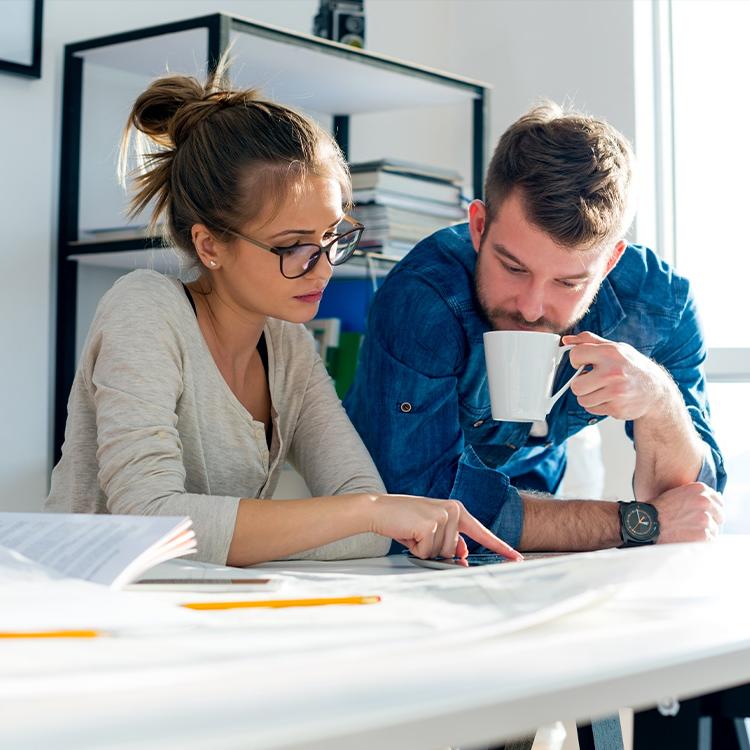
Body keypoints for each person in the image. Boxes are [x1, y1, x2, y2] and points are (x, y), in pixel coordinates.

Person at [45, 67, 520, 566]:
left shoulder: (288, 344)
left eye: (333, 237)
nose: (323, 269)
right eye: (293, 247)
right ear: (209, 245)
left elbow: (366, 528)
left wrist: (367, 513)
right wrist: (367, 512)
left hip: (198, 614)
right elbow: (149, 524)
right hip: (81, 609)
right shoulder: (144, 308)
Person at [345, 102, 726, 553]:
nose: (530, 308)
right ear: (479, 226)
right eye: (513, 268)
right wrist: (634, 523)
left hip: (542, 521)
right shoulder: (425, 296)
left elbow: (696, 503)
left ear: (610, 262)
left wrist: (658, 402)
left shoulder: (660, 305)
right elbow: (414, 504)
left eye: (568, 282)